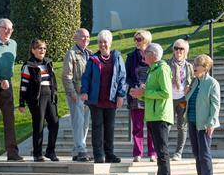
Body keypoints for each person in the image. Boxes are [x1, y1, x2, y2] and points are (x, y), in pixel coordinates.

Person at [130, 43, 173, 175]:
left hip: (160, 115)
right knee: (161, 150)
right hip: (153, 115)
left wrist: (145, 91)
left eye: (146, 52)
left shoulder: (162, 69)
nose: (143, 54)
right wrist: (139, 93)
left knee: (162, 151)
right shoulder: (153, 69)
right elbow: (152, 92)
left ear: (154, 55)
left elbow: (166, 93)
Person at [81, 29, 126, 164]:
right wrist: (84, 91)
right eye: (100, 42)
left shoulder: (116, 58)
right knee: (97, 126)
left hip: (111, 99)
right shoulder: (93, 59)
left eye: (105, 42)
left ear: (110, 43)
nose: (102, 45)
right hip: (96, 99)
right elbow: (86, 77)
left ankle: (110, 154)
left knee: (109, 127)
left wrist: (120, 95)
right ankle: (98, 155)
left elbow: (122, 77)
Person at [18, 39, 59, 162]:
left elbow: (53, 81)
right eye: (39, 48)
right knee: (38, 125)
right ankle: (37, 154)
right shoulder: (28, 65)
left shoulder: (48, 63)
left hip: (50, 97)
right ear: (33, 50)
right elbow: (23, 85)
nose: (42, 51)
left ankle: (50, 151)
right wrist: (21, 102)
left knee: (55, 123)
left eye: (44, 48)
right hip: (36, 99)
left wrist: (54, 93)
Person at [0, 18, 24, 161]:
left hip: (7, 85)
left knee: (10, 120)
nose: (8, 31)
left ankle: (12, 153)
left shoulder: (13, 44)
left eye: (11, 29)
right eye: (5, 28)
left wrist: (5, 81)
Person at [186, 54, 220, 175]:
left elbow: (215, 105)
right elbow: (188, 99)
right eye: (194, 64)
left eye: (197, 64)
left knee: (204, 153)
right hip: (192, 121)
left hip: (204, 124)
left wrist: (211, 123)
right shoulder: (195, 82)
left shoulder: (212, 83)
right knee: (196, 152)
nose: (194, 67)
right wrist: (187, 91)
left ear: (205, 68)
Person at [62, 28, 92, 162]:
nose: (85, 39)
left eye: (87, 37)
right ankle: (81, 149)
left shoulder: (90, 54)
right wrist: (72, 93)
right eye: (83, 37)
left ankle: (78, 149)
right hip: (77, 93)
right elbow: (66, 76)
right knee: (78, 122)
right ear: (76, 38)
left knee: (85, 123)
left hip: (88, 95)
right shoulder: (71, 54)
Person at [125, 30, 156, 163]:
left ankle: (152, 153)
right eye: (135, 39)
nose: (137, 42)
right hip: (135, 94)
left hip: (150, 95)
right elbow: (127, 76)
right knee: (137, 126)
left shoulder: (153, 55)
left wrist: (147, 87)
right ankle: (137, 153)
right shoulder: (131, 57)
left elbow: (157, 73)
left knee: (151, 126)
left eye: (140, 39)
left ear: (147, 41)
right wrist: (136, 85)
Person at [168, 38, 194, 161]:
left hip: (183, 99)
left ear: (185, 51)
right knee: (166, 125)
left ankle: (178, 152)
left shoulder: (189, 67)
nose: (178, 51)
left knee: (182, 125)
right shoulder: (167, 65)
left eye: (181, 49)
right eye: (176, 48)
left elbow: (193, 81)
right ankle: (162, 151)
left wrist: (189, 86)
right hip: (169, 98)